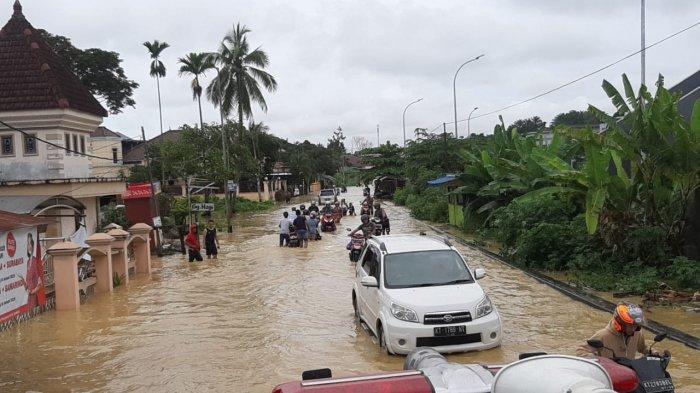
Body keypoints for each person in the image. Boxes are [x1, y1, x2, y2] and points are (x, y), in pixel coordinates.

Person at [577, 303, 662, 360]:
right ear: (620, 323)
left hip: (629, 374)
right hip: (610, 375)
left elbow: (643, 348)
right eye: (631, 325)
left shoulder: (637, 334)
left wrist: (652, 352)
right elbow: (581, 351)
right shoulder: (603, 335)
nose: (634, 328)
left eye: (636, 325)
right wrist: (596, 359)